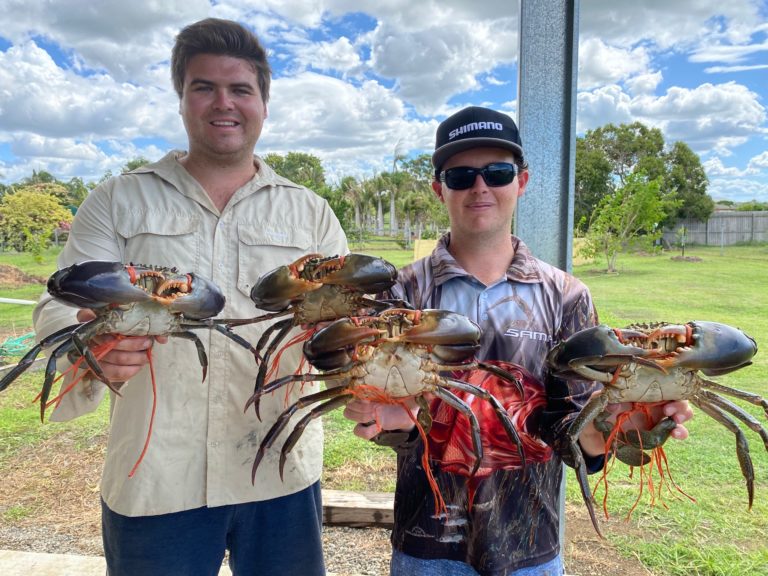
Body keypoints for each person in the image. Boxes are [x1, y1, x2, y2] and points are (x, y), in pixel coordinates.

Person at [32, 18, 347, 576]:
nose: (223, 103)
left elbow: (345, 317)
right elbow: (58, 299)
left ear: (263, 104)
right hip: (155, 479)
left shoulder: (310, 212)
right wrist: (89, 340)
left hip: (278, 470)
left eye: (241, 89)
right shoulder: (119, 199)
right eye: (204, 87)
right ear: (182, 99)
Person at [343, 106, 693, 575]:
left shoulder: (566, 296)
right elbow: (396, 420)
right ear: (439, 188)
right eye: (462, 175)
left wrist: (618, 427)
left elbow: (575, 432)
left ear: (521, 182)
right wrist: (386, 418)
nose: (480, 187)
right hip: (427, 545)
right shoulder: (402, 292)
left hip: (531, 548)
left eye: (498, 172)